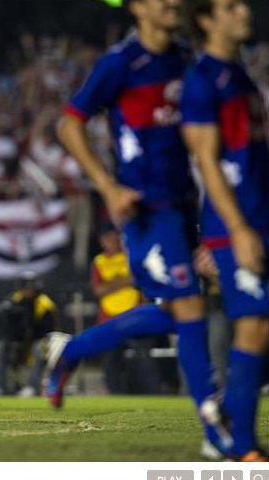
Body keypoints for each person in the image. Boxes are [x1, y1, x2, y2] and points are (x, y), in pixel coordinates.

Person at [47, 0, 228, 454]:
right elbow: (69, 125)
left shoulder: (188, 59)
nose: (174, 3)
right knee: (187, 307)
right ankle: (214, 425)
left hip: (186, 206)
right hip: (145, 209)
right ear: (138, 8)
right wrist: (107, 186)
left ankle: (70, 352)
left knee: (180, 312)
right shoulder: (120, 63)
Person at [181, 0, 269, 461]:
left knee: (260, 324)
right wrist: (238, 229)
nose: (244, 12)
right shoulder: (202, 81)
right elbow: (207, 161)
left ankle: (230, 429)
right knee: (253, 322)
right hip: (236, 224)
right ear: (206, 20)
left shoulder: (240, 77)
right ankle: (240, 444)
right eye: (231, 6)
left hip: (259, 216)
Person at [91, 223, 162, 394]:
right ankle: (116, 396)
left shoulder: (131, 255)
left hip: (134, 315)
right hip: (109, 318)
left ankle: (154, 394)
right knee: (110, 360)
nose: (113, 240)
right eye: (108, 237)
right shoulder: (99, 262)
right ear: (102, 241)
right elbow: (98, 290)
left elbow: (141, 282)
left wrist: (112, 284)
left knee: (144, 358)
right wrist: (125, 281)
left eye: (115, 236)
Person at [0, 272, 59, 396]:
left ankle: (33, 387)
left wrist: (30, 325)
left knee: (38, 348)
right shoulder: (15, 299)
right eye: (25, 288)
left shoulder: (44, 305)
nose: (27, 291)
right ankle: (0, 388)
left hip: (40, 341)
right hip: (19, 340)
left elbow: (48, 332)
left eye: (30, 288)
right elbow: (3, 317)